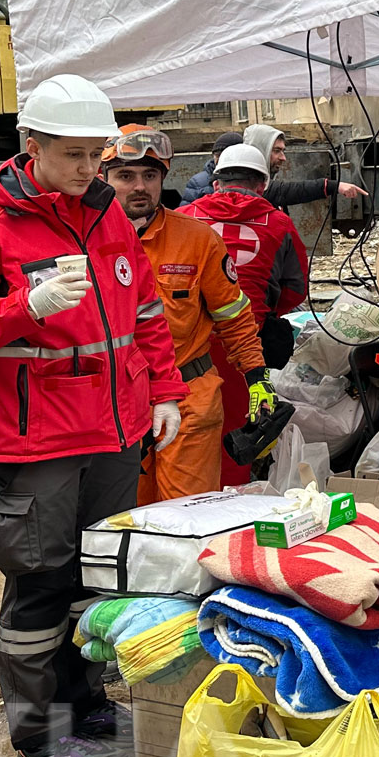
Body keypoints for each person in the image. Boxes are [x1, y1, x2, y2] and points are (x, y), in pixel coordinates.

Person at [0, 74, 187, 757]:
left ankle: (86, 708)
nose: (89, 168)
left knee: (96, 577)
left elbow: (145, 311)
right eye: (73, 154)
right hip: (36, 443)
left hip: (114, 434)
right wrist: (24, 307)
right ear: (31, 145)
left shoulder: (106, 214)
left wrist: (164, 390)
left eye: (97, 154)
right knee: (40, 584)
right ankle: (40, 737)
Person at [101, 124, 275, 501]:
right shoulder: (86, 242)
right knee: (125, 519)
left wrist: (257, 376)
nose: (140, 186)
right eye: (125, 176)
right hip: (116, 405)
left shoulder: (196, 239)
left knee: (188, 517)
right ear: (104, 179)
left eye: (150, 176)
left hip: (188, 398)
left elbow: (233, 315)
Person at [178, 143, 309, 486]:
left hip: (187, 348)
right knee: (237, 431)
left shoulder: (184, 217)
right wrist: (264, 311)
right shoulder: (279, 223)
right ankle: (231, 498)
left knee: (185, 431)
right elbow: (296, 289)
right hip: (246, 347)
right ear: (262, 185)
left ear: (216, 183)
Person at [243, 125, 367, 210]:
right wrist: (334, 186)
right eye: (276, 151)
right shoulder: (250, 186)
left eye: (283, 151)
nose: (283, 158)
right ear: (260, 151)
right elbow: (290, 191)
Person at [182, 131, 242, 205]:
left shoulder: (249, 180)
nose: (220, 159)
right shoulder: (198, 183)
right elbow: (186, 209)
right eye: (217, 155)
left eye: (225, 156)